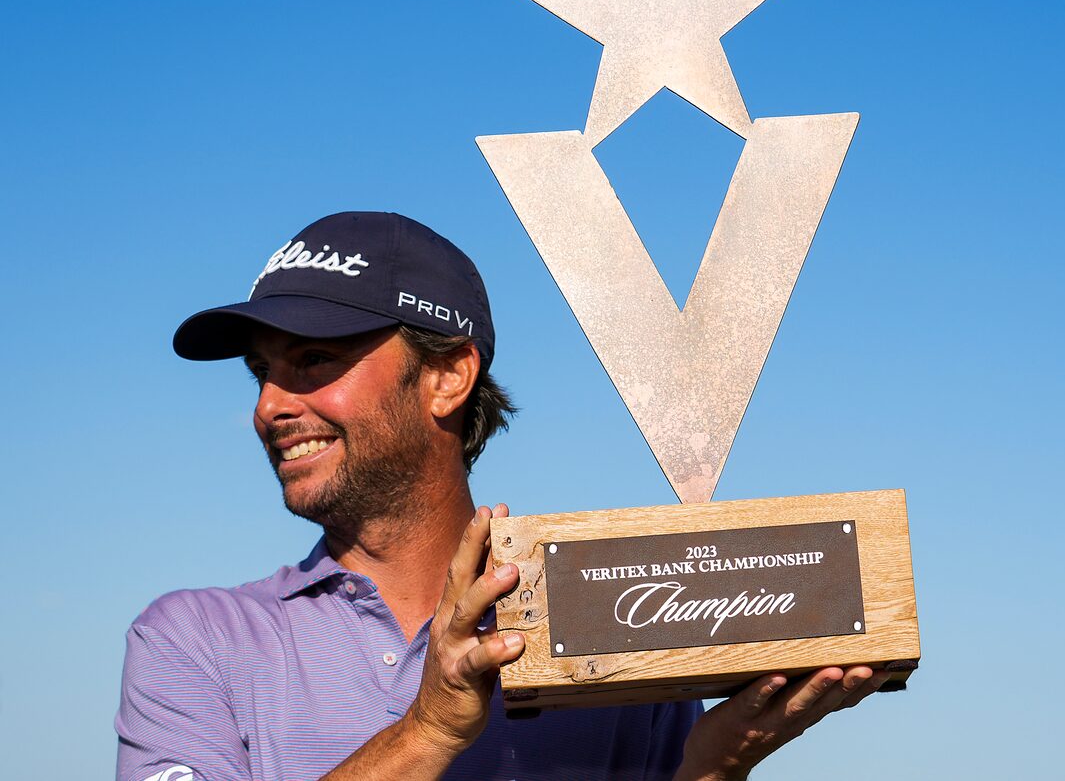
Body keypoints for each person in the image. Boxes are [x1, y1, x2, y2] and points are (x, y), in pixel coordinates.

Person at [116, 211, 886, 781]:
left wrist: (710, 770)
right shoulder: (194, 642)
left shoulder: (602, 623)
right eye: (262, 372)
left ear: (448, 376)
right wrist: (427, 729)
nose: (270, 406)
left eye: (314, 360)